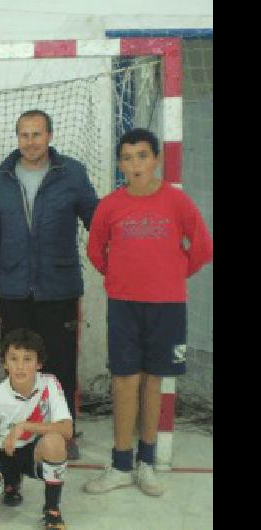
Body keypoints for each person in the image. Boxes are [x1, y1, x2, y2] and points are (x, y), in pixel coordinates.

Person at [83, 128, 213, 496]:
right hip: (124, 304)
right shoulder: (110, 204)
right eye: (127, 157)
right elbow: (95, 250)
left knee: (154, 381)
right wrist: (120, 276)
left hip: (167, 306)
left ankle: (147, 463)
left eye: (142, 156)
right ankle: (121, 464)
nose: (134, 164)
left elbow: (202, 247)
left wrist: (172, 274)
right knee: (124, 380)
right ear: (120, 163)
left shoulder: (177, 202)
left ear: (156, 160)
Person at [0, 110, 99, 460]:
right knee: (17, 363)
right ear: (17, 138)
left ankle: (64, 433)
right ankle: (17, 429)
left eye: (37, 134)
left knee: (60, 365)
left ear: (49, 135)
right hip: (13, 287)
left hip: (58, 287)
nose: (30, 142)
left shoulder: (72, 173)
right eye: (24, 135)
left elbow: (96, 219)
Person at [0, 328, 72, 530]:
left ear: (39, 364)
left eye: (28, 359)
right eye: (13, 359)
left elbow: (67, 429)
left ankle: (52, 510)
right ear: (5, 363)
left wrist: (24, 426)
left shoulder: (50, 384)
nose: (20, 367)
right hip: (4, 450)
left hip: (33, 452)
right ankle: (10, 482)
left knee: (55, 440)